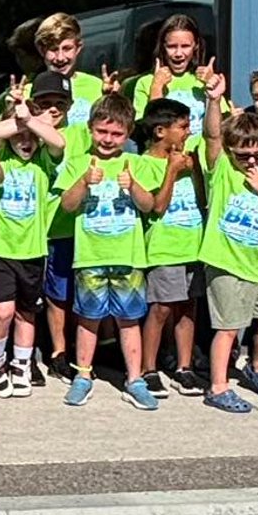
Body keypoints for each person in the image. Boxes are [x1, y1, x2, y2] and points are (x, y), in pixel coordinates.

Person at [54, 95, 161, 410]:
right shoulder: (78, 163)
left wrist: (133, 186)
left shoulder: (136, 163)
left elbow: (149, 206)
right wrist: (84, 182)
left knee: (129, 320)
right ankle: (83, 375)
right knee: (88, 318)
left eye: (116, 134)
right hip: (91, 256)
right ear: (90, 128)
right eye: (102, 131)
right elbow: (67, 205)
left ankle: (135, 379)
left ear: (128, 134)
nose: (108, 139)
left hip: (128, 257)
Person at [196, 76, 258, 414]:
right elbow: (212, 136)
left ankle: (257, 366)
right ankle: (218, 387)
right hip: (225, 261)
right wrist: (214, 100)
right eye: (243, 155)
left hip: (257, 263)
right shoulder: (222, 170)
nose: (250, 162)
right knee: (229, 328)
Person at [0, 81, 66, 398]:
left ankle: (21, 364)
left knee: (27, 312)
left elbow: (58, 141)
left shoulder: (43, 162)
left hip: (32, 250)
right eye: (19, 135)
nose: (25, 141)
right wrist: (19, 114)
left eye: (31, 137)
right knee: (2, 311)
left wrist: (30, 121)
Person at [134, 99, 207, 398]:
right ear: (161, 131)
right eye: (183, 127)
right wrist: (172, 172)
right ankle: (148, 368)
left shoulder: (188, 161)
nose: (189, 132)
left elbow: (202, 199)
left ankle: (184, 366)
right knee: (161, 309)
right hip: (164, 249)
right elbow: (157, 207)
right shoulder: (144, 163)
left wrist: (195, 169)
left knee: (188, 308)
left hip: (193, 245)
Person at [29, 71, 94, 383]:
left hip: (76, 225)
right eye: (45, 103)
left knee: (71, 291)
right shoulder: (27, 132)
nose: (53, 109)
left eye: (60, 103)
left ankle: (72, 351)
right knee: (43, 295)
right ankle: (49, 352)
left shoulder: (82, 132)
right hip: (35, 226)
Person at [131, 14, 213, 133]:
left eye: (185, 46)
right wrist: (157, 87)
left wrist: (213, 91)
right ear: (162, 47)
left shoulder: (204, 79)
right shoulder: (146, 82)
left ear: (195, 46)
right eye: (172, 46)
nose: (178, 53)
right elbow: (146, 131)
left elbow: (221, 125)